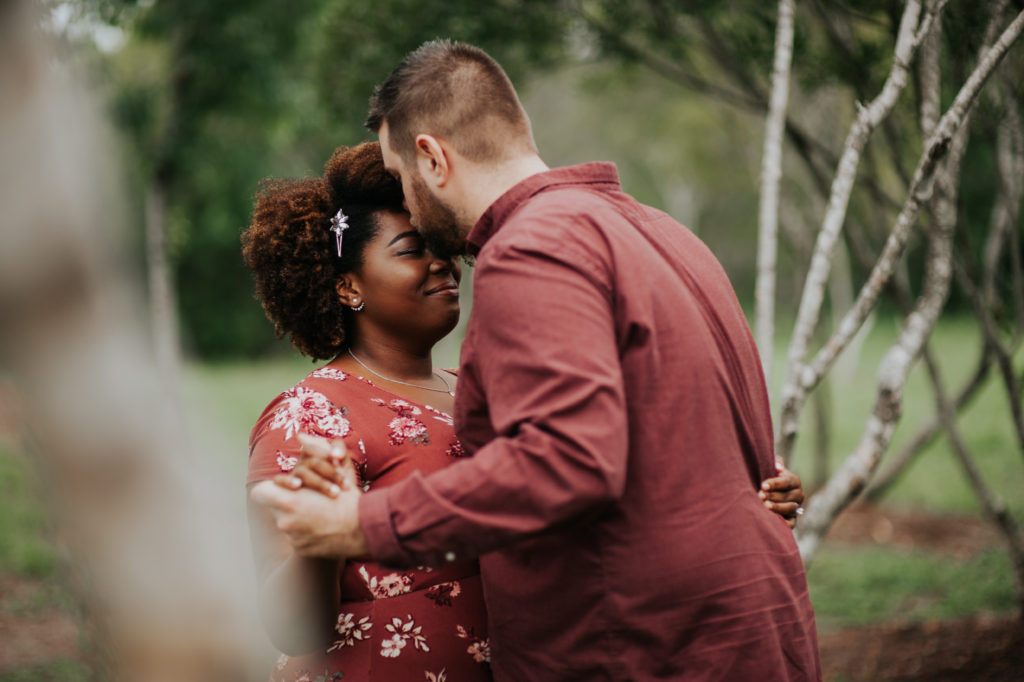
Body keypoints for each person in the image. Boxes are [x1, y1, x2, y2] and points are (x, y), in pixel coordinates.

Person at [250, 39, 820, 676]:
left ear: (432, 158)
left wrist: (363, 523)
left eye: (405, 180)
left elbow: (571, 458)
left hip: (652, 647)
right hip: (747, 630)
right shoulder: (660, 231)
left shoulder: (532, 248)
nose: (411, 203)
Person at [242, 142, 491, 681]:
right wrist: (322, 538)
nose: (441, 261)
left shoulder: (475, 390)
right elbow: (288, 625)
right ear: (348, 286)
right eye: (410, 250)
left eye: (441, 244)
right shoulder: (308, 416)